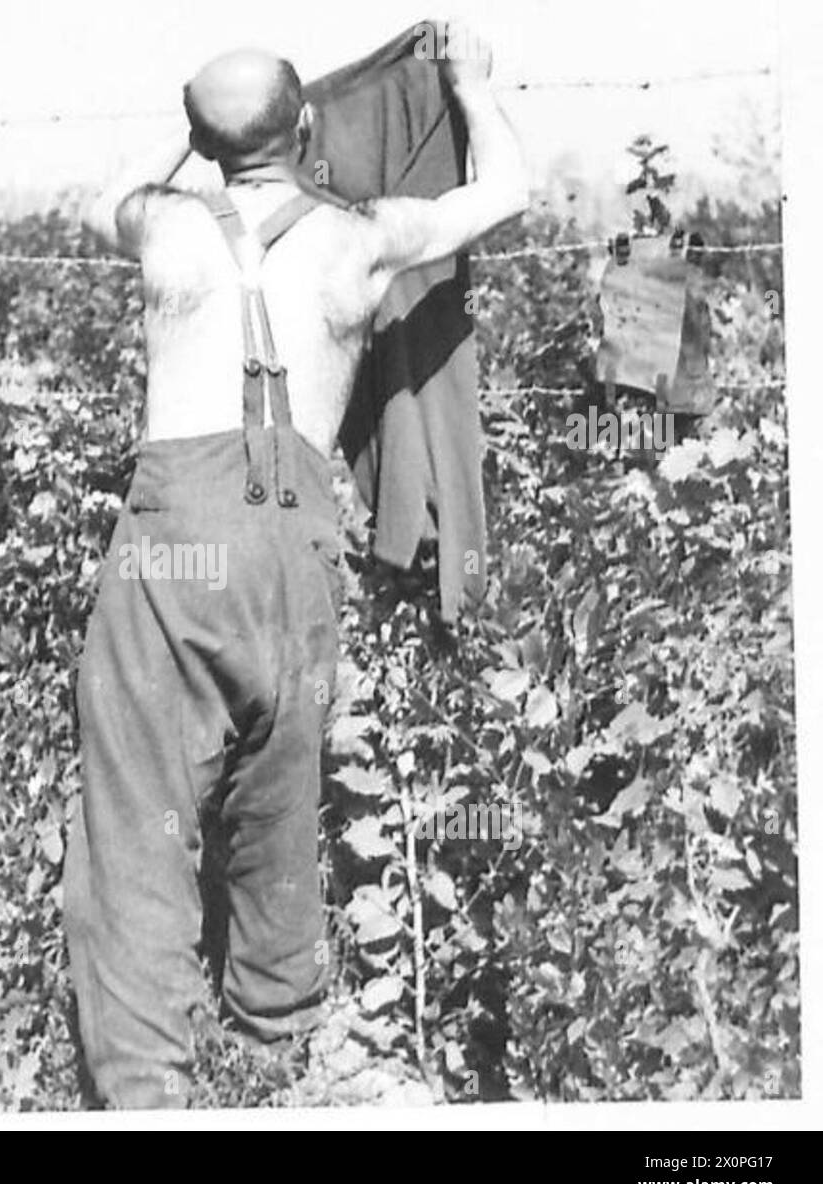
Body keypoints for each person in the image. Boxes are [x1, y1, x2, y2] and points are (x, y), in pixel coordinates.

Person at [66, 22, 528, 1108]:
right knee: (279, 786)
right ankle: (276, 1031)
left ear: (198, 140)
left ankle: (145, 1084)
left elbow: (110, 191)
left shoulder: (162, 227)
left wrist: (184, 142)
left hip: (174, 539)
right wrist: (468, 83)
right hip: (298, 543)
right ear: (307, 126)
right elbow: (505, 189)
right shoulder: (364, 238)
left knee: (136, 803)